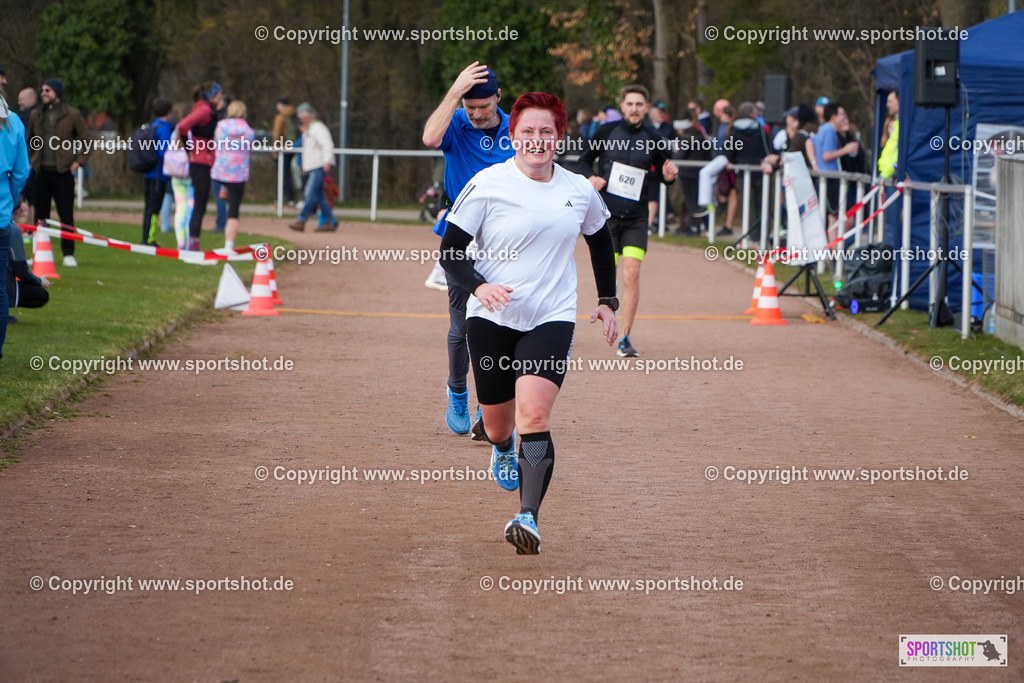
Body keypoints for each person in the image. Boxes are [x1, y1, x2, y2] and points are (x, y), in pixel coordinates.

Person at [439, 92, 618, 554]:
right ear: (512, 136)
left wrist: (607, 300)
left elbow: (600, 240)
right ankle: (501, 448)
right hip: (492, 317)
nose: (536, 140)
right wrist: (479, 287)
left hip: (550, 316)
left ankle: (528, 517)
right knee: (500, 426)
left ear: (560, 137)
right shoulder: (486, 184)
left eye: (546, 132)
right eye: (527, 132)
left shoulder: (578, 189)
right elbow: (451, 252)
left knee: (534, 415)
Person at [421, 61, 515, 437]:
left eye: (483, 106)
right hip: (463, 238)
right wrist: (454, 92)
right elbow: (429, 138)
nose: (476, 114)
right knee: (462, 327)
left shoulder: (517, 126)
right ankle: (457, 389)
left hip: (507, 240)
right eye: (469, 106)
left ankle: (488, 408)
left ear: (498, 97)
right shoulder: (456, 123)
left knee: (501, 326)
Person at [576, 84, 677, 358]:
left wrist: (670, 175)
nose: (634, 108)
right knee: (609, 274)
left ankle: (625, 336)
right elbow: (584, 161)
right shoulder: (606, 132)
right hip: (606, 218)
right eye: (630, 103)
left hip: (636, 218)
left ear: (646, 108)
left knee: (631, 273)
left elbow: (666, 172)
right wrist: (590, 178)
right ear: (622, 106)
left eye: (639, 104)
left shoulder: (654, 137)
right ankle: (606, 315)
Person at [26, 78, 88, 266]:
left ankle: (68, 253)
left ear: (57, 93)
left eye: (48, 90)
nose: (43, 93)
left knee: (66, 214)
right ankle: (38, 252)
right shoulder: (36, 115)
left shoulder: (72, 114)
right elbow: (28, 140)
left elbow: (86, 139)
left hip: (63, 173)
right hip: (41, 172)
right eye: (42, 90)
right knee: (40, 216)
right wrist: (30, 161)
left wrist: (78, 162)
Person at [177, 81, 223, 251]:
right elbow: (182, 126)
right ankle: (193, 244)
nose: (221, 96)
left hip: (203, 161)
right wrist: (188, 149)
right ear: (212, 95)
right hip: (200, 162)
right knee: (200, 204)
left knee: (201, 204)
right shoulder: (203, 109)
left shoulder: (205, 108)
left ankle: (192, 242)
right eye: (219, 93)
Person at [1, 91, 30, 360]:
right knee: (0, 287)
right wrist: (8, 199)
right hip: (0, 216)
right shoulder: (14, 123)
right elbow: (21, 171)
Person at [211, 100, 255, 250]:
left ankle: (224, 190)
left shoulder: (221, 126)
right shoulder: (248, 130)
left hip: (221, 171)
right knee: (234, 212)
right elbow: (248, 147)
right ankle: (229, 245)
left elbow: (217, 143)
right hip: (238, 174)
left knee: (220, 202)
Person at [288, 103, 336, 232]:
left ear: (310, 116)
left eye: (304, 117)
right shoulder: (309, 130)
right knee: (320, 196)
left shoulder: (318, 128)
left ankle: (301, 220)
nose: (302, 120)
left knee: (309, 193)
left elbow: (327, 145)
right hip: (312, 166)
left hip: (318, 166)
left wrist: (327, 161)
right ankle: (330, 221)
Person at [141, 97, 174, 246]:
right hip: (158, 174)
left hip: (147, 172)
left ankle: (146, 236)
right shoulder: (165, 128)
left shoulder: (151, 126)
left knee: (148, 206)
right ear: (169, 112)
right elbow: (164, 151)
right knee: (154, 208)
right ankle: (149, 238)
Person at [6, 222, 50, 311]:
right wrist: (39, 281)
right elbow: (21, 271)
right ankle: (3, 312)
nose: (26, 207)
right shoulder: (12, 229)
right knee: (41, 295)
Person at [272, 97, 300, 207]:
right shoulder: (294, 114)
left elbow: (277, 134)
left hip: (283, 148)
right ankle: (289, 199)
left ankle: (287, 199)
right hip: (293, 146)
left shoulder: (281, 117)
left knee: (283, 174)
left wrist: (275, 148)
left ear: (281, 105)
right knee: (287, 174)